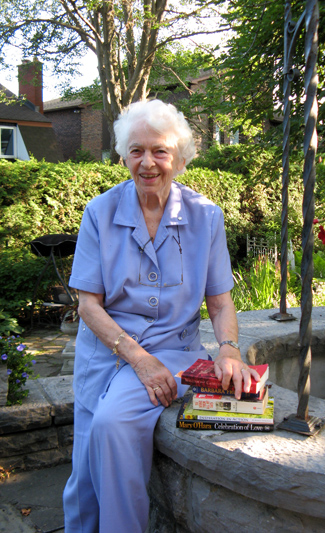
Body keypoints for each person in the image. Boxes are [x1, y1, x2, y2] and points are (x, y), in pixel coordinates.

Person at [63, 99, 259, 533]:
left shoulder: (206, 216)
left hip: (172, 352)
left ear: (181, 159)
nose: (147, 162)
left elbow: (220, 300)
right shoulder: (100, 212)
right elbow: (88, 304)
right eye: (136, 151)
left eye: (160, 151)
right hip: (106, 354)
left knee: (112, 428)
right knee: (82, 480)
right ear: (122, 156)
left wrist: (229, 349)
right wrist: (136, 356)